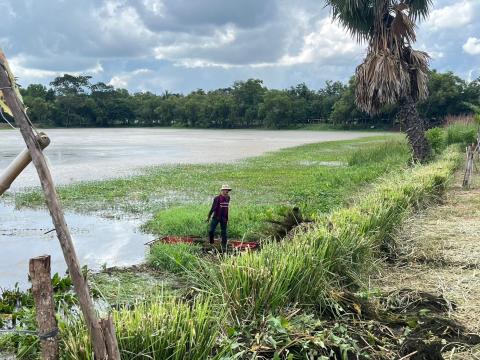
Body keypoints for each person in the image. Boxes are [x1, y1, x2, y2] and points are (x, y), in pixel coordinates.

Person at [206, 184, 231, 250]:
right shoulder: (217, 198)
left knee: (224, 232)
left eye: (228, 190)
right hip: (216, 217)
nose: (227, 191)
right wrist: (208, 217)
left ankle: (224, 245)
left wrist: (227, 219)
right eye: (226, 190)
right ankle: (211, 243)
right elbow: (213, 208)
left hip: (224, 218)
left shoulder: (228, 198)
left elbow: (226, 209)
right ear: (222, 190)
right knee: (211, 231)